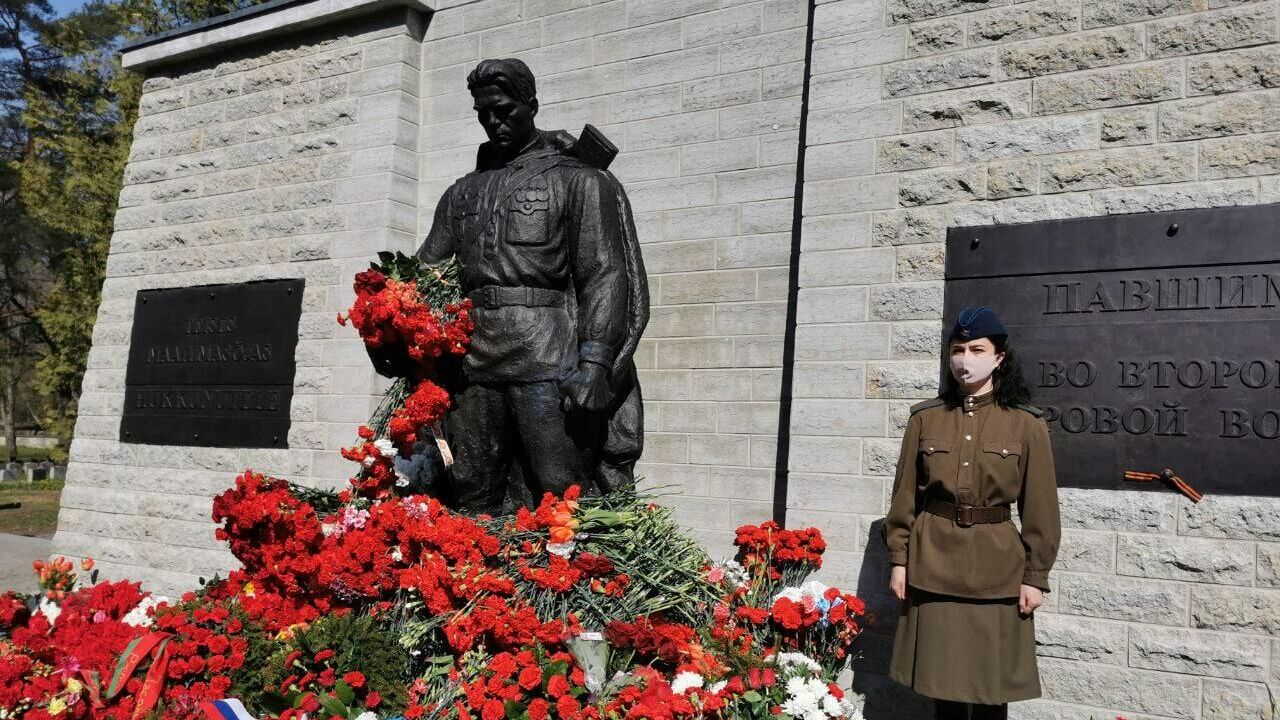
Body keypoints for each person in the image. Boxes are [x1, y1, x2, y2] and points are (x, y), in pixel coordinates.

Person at [399, 58, 648, 514]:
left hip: (546, 355)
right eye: (483, 113)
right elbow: (422, 274)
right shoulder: (461, 193)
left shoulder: (578, 180)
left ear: (530, 104)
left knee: (560, 487)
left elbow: (605, 275)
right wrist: (386, 304)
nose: (493, 122)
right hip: (473, 359)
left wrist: (595, 363)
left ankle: (562, 582)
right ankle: (479, 580)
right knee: (471, 485)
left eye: (504, 110)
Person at [882, 307, 1061, 720]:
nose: (965, 359)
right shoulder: (925, 419)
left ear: (999, 357)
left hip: (996, 572)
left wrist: (1035, 577)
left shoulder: (1026, 425)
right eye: (957, 350)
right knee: (941, 688)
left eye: (976, 349)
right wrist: (899, 559)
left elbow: (1040, 510)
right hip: (934, 565)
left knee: (990, 690)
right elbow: (904, 498)